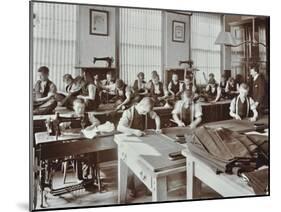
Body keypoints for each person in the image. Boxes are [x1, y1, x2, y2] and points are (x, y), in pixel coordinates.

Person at [60, 98, 101, 181]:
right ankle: (80, 177)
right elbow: (62, 125)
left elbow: (97, 122)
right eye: (78, 108)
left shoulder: (88, 115)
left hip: (86, 142)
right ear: (74, 108)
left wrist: (91, 126)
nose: (80, 110)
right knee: (78, 155)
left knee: (91, 153)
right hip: (75, 144)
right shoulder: (71, 117)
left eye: (82, 108)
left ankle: (89, 176)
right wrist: (60, 126)